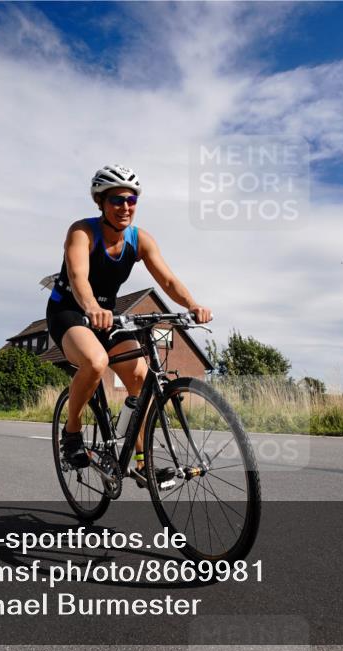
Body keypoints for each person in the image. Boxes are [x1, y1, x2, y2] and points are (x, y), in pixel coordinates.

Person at [46, 164, 212, 486]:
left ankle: (141, 462)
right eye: (117, 199)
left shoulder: (140, 240)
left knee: (140, 378)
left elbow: (167, 279)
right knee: (96, 362)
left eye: (131, 199)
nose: (125, 206)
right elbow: (79, 277)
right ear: (101, 203)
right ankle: (72, 431)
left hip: (106, 317)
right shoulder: (82, 232)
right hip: (69, 312)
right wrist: (92, 307)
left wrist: (191, 305)